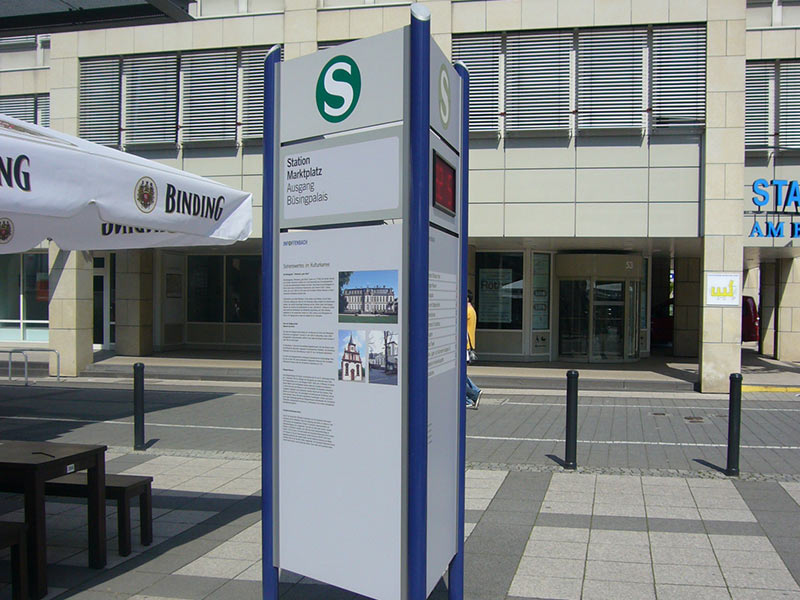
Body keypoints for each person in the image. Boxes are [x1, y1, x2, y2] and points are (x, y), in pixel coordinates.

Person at [466, 291, 481, 409]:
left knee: (458, 376)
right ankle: (475, 391)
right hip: (468, 346)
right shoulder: (472, 310)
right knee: (461, 374)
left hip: (465, 346)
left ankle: (472, 396)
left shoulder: (467, 311)